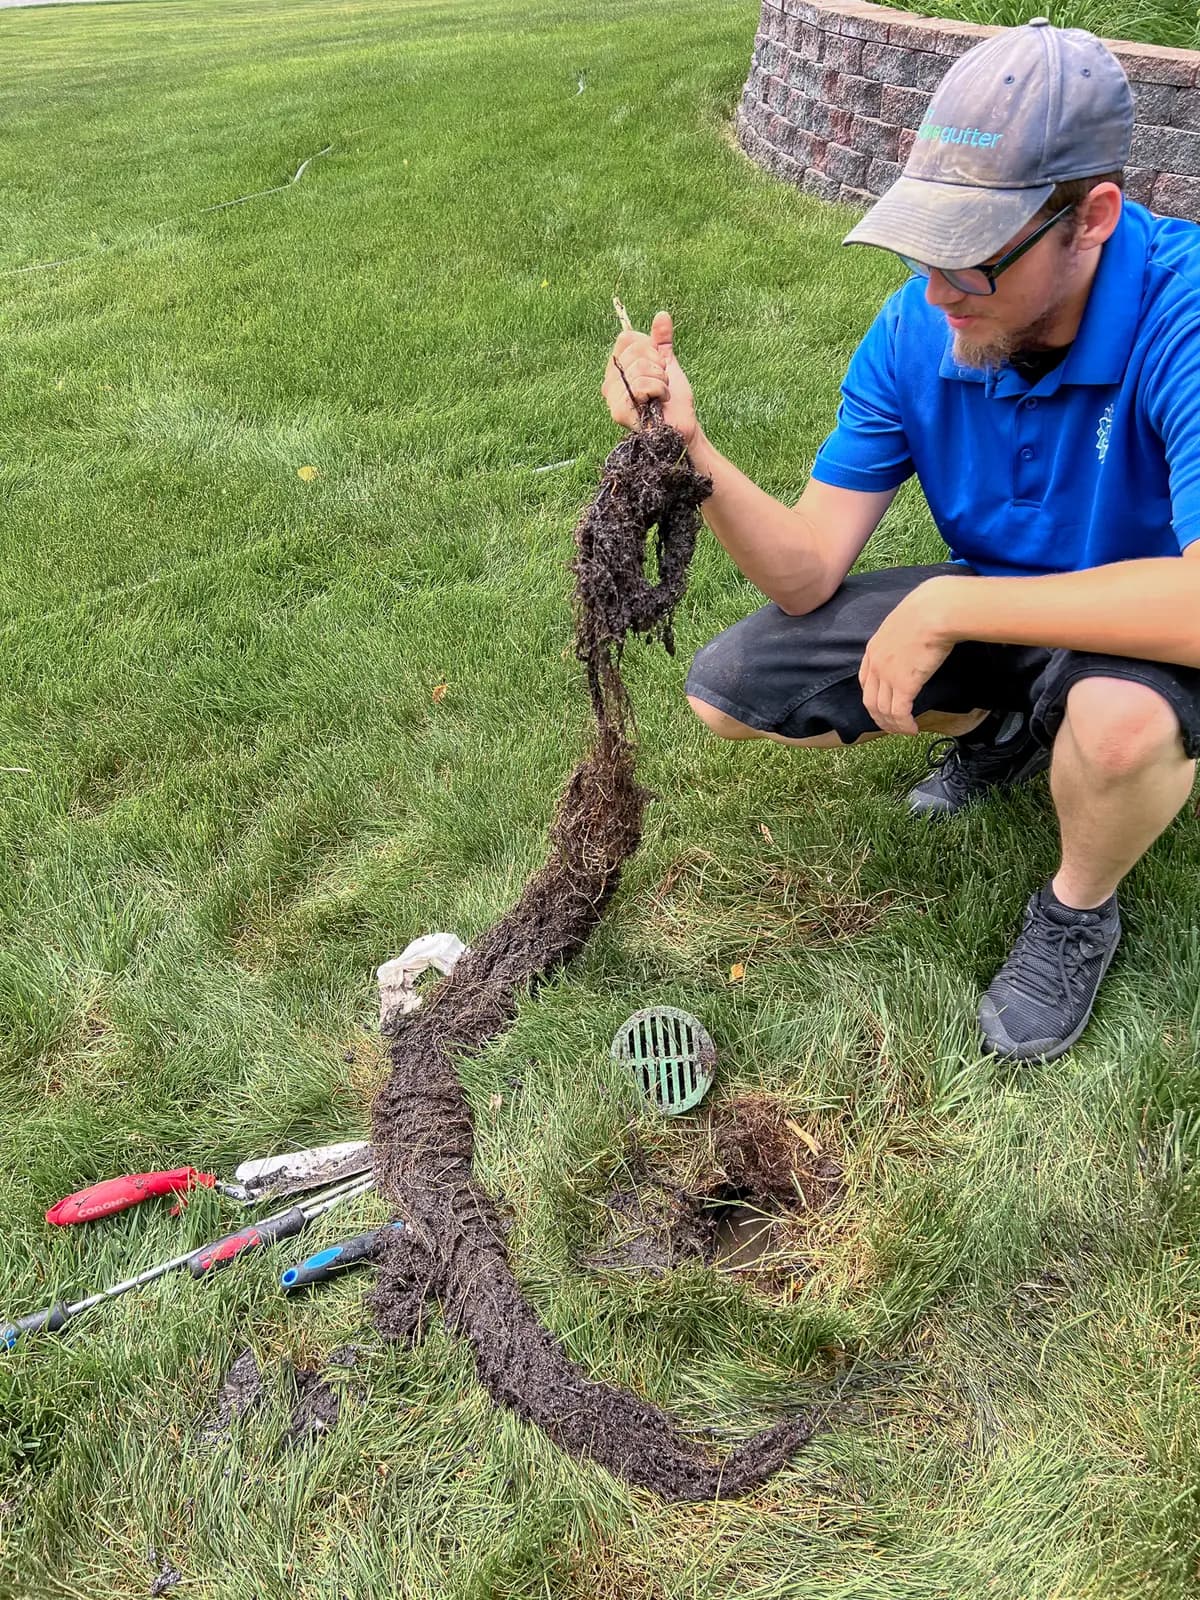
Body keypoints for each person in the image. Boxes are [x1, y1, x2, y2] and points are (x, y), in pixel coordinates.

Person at [600, 18, 1200, 1063]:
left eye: (971, 262)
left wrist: (952, 604)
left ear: (1092, 217)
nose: (934, 293)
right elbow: (804, 572)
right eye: (926, 247)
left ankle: (1076, 907)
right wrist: (690, 450)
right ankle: (1014, 729)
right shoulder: (920, 327)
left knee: (1113, 726)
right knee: (729, 692)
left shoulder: (1182, 313)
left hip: (1148, 626)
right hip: (1013, 603)